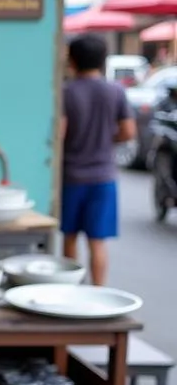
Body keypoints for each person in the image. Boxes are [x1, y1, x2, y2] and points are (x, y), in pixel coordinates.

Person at [61, 33, 136, 286]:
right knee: (97, 242)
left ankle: (71, 290)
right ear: (103, 60)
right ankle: (98, 291)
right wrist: (106, 138)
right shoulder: (116, 91)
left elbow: (60, 135)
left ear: (72, 60)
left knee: (69, 237)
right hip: (104, 177)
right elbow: (128, 131)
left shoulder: (66, 92)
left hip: (71, 175)